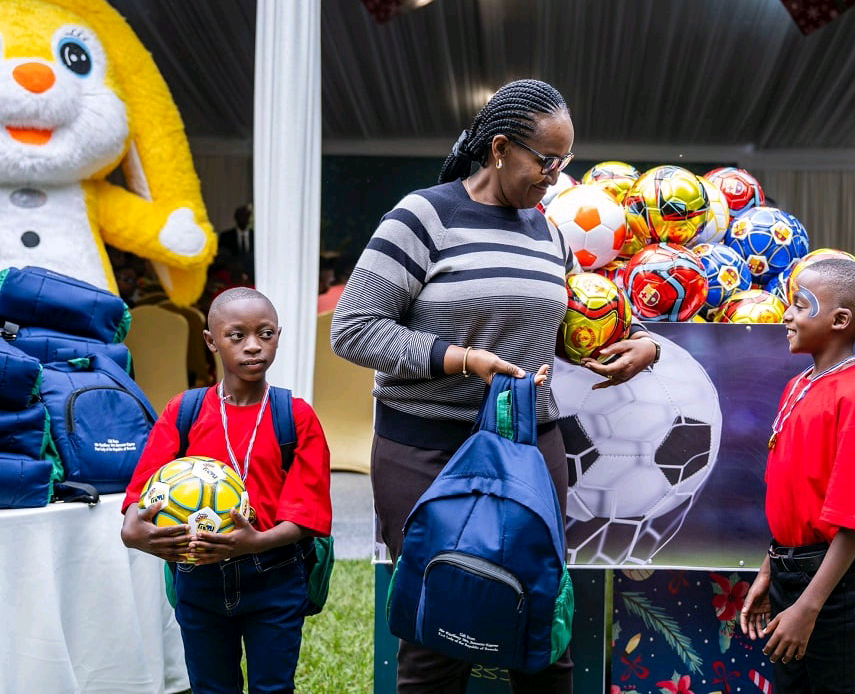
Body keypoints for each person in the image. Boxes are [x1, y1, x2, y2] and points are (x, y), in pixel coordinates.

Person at [330, 78, 659, 693]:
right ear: (501, 148)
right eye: (546, 161)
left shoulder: (549, 232)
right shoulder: (423, 217)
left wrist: (642, 342)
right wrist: (460, 359)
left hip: (530, 443)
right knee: (440, 626)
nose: (556, 177)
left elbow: (582, 313)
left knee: (540, 619)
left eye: (565, 162)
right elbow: (353, 329)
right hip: (426, 451)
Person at [120, 287, 332, 694]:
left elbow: (308, 515)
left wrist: (255, 542)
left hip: (273, 576)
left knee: (273, 687)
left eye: (265, 334)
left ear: (278, 336)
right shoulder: (184, 411)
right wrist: (134, 530)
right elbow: (141, 493)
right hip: (198, 579)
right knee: (211, 688)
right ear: (211, 340)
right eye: (237, 335)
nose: (253, 346)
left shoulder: (295, 416)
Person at [739, 258, 855, 694]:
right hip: (791, 571)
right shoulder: (799, 386)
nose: (786, 315)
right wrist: (771, 568)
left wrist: (809, 607)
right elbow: (795, 498)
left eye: (800, 306)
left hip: (833, 583)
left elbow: (853, 522)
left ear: (840, 320)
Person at [218, 204, 255, 282]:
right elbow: (222, 258)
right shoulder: (226, 237)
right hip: (231, 278)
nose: (243, 219)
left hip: (253, 278)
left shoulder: (256, 236)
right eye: (240, 216)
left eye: (246, 216)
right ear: (236, 218)